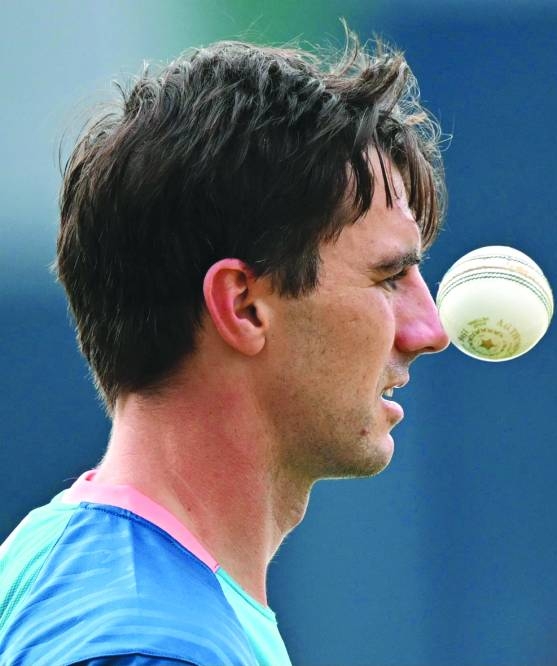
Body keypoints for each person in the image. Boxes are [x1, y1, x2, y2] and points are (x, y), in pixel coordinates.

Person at [0, 29, 449, 665]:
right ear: (242, 306)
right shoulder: (152, 649)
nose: (430, 330)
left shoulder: (47, 555)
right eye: (389, 277)